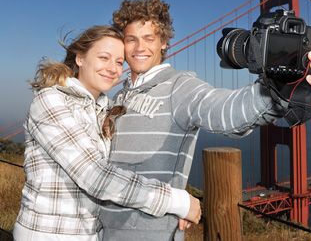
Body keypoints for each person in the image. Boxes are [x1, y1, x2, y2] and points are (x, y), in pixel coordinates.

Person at [99, 0, 311, 240]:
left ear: (163, 43)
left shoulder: (179, 88)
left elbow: (224, 111)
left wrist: (282, 87)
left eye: (149, 38)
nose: (139, 48)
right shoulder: (118, 96)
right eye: (131, 39)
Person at [13, 25, 201, 241]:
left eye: (119, 62)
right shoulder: (50, 101)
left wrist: (174, 211)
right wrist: (177, 201)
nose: (113, 68)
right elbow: (96, 177)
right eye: (104, 57)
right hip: (47, 234)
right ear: (80, 58)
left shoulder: (105, 109)